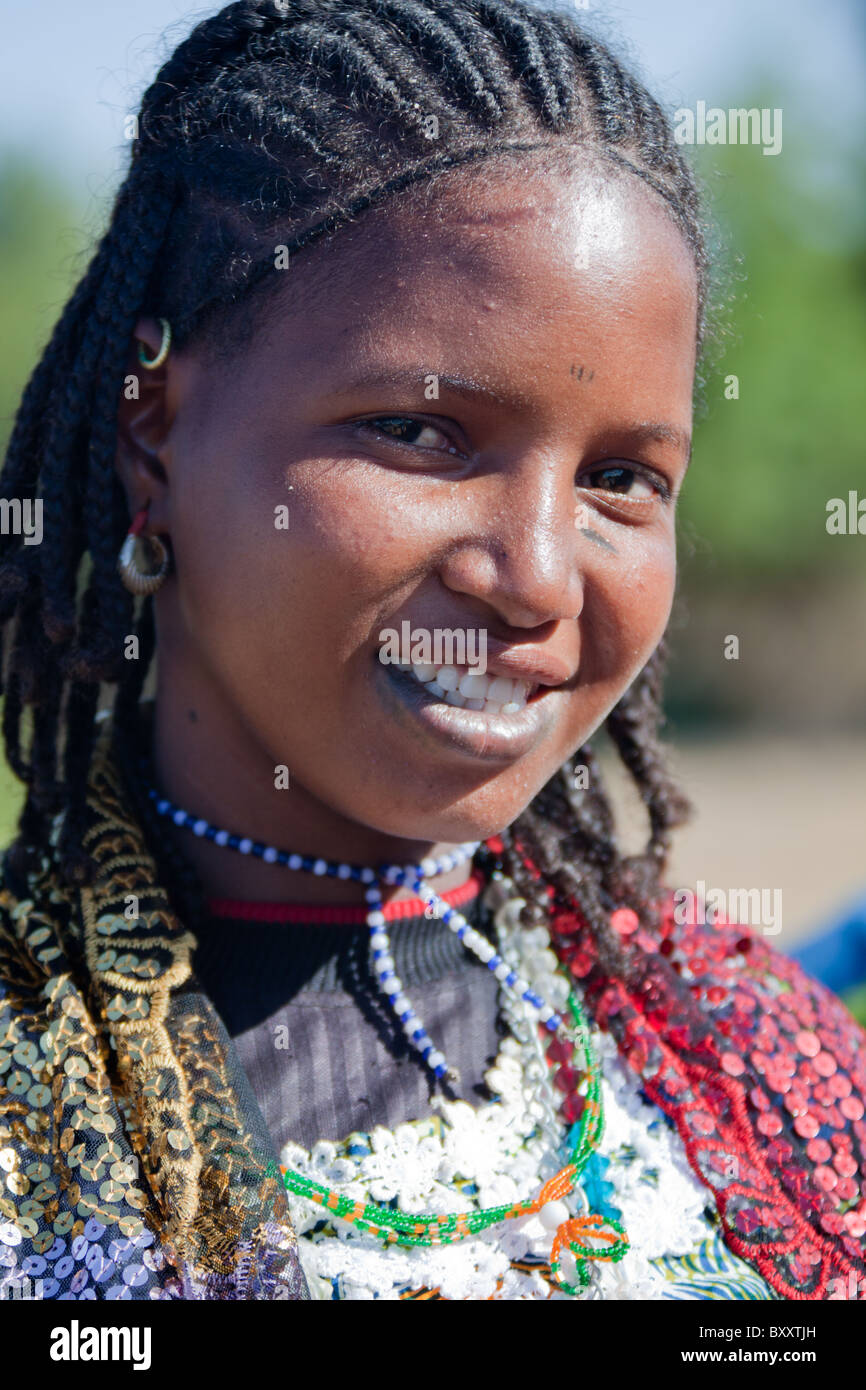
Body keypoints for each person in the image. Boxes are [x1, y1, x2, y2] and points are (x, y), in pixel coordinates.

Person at [0, 0, 863, 1303]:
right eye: (420, 432)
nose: (533, 575)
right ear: (150, 429)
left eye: (620, 476)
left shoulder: (754, 1052)